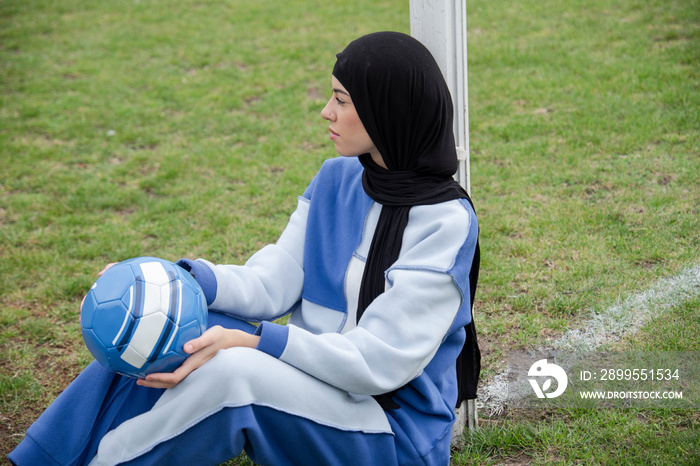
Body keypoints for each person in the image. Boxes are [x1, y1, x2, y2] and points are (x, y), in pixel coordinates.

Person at [9, 31, 480, 466]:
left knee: (236, 374)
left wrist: (258, 342)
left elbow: (377, 362)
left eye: (340, 99)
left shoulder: (445, 221)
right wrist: (174, 280)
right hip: (314, 387)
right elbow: (272, 283)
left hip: (391, 435)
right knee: (158, 316)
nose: (326, 112)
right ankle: (40, 459)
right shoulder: (337, 179)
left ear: (386, 110)